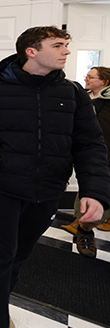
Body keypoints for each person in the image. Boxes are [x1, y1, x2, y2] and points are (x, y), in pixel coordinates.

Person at [0, 26, 110, 328]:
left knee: (21, 253)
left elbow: (90, 143)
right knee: (1, 252)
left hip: (48, 190)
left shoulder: (73, 93)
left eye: (66, 45)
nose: (66, 51)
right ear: (31, 51)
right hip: (1, 186)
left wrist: (95, 191)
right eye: (58, 45)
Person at [59, 65, 110, 254]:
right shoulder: (82, 98)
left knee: (98, 195)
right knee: (86, 191)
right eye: (86, 76)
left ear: (104, 82)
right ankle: (81, 225)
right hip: (86, 155)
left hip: (103, 156)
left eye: (91, 77)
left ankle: (85, 229)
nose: (87, 79)